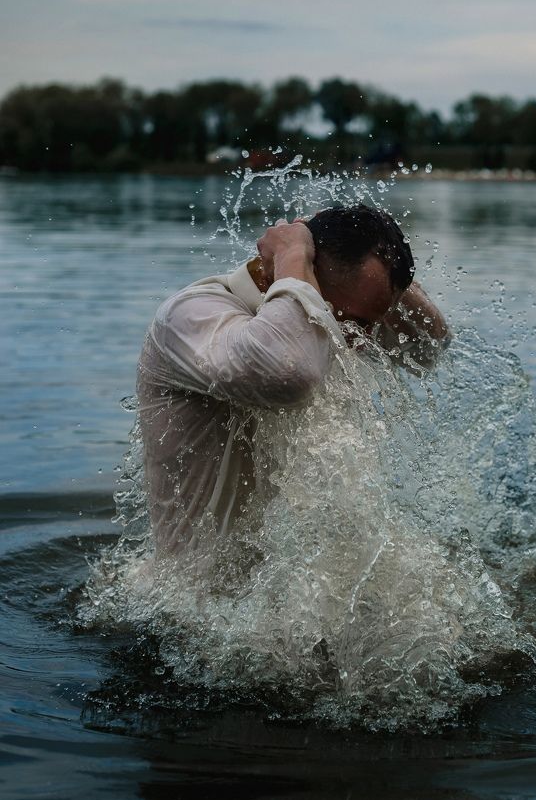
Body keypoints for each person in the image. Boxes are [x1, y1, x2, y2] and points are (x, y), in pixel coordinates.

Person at [136, 204, 449, 556]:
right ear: (303, 276)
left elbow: (429, 346)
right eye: (353, 321)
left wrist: (383, 271)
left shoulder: (342, 317)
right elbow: (289, 375)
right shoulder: (191, 316)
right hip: (186, 604)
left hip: (278, 596)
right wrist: (293, 253)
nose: (363, 340)